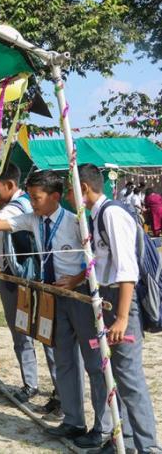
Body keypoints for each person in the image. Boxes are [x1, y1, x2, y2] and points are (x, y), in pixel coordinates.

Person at [0, 170, 114, 450]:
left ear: (55, 197)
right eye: (30, 197)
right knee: (63, 359)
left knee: (93, 364)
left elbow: (98, 259)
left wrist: (76, 279)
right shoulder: (32, 219)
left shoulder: (76, 222)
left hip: (80, 297)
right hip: (52, 297)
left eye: (36, 198)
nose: (32, 203)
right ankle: (73, 420)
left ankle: (103, 427)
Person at [73, 164, 160, 454]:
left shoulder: (112, 213)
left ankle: (148, 447)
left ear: (83, 188)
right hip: (107, 298)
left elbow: (127, 270)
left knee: (129, 378)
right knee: (115, 375)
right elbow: (102, 260)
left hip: (122, 301)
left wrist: (122, 317)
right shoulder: (96, 215)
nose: (69, 196)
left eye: (71, 189)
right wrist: (76, 279)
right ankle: (124, 440)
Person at [0, 164, 60, 418]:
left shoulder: (20, 206)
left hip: (38, 281)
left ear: (10, 185)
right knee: (20, 332)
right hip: (11, 280)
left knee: (47, 336)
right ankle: (30, 383)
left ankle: (60, 392)